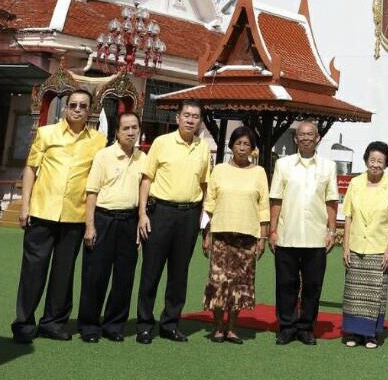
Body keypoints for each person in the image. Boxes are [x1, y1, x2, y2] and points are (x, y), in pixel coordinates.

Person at [11, 87, 106, 343]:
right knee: (33, 271)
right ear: (64, 108)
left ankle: (53, 322)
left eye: (82, 106)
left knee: (63, 274)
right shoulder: (46, 133)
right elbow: (31, 169)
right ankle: (24, 323)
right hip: (42, 212)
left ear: (91, 111)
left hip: (74, 216)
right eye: (73, 105)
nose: (77, 110)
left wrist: (90, 222)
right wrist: (24, 205)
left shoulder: (98, 141)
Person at [136, 99, 210, 344]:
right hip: (161, 212)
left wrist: (203, 216)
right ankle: (145, 324)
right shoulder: (161, 143)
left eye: (195, 116)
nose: (190, 120)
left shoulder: (203, 148)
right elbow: (147, 179)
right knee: (151, 270)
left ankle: (170, 322)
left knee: (179, 273)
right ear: (177, 118)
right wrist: (142, 213)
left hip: (189, 215)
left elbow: (204, 184)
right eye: (186, 115)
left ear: (200, 121)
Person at [269, 119, 338, 346]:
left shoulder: (328, 166)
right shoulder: (283, 164)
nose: (306, 138)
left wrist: (332, 230)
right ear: (295, 138)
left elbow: (331, 200)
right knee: (285, 284)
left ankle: (306, 327)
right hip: (287, 234)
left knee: (312, 285)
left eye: (311, 134)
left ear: (318, 138)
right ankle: (287, 326)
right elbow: (276, 198)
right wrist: (272, 229)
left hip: (316, 236)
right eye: (302, 134)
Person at [78, 109, 145, 342]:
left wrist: (140, 219)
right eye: (125, 128)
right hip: (103, 219)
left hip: (128, 222)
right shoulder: (104, 156)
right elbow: (92, 192)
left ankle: (114, 325)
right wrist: (89, 225)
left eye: (134, 128)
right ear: (116, 132)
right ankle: (89, 325)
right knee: (95, 274)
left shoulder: (142, 159)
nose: (130, 132)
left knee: (124, 276)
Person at [201, 125, 270, 343]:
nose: (242, 148)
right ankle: (218, 327)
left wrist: (263, 237)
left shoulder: (259, 173)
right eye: (238, 143)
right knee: (219, 281)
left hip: (247, 236)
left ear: (252, 149)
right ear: (231, 145)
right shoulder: (219, 169)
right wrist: (206, 233)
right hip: (221, 234)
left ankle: (232, 327)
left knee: (241, 283)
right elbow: (209, 202)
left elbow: (264, 206)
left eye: (247, 144)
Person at [341, 140, 388, 348]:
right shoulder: (355, 183)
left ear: (386, 163)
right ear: (366, 160)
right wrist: (346, 246)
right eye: (372, 160)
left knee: (375, 292)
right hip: (356, 245)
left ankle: (371, 335)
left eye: (380, 161)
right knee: (354, 293)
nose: (375, 164)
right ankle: (355, 333)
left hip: (378, 246)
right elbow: (348, 217)